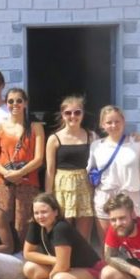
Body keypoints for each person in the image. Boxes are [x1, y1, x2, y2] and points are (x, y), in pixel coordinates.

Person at [22, 193, 106, 279]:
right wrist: (55, 260)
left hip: (94, 275)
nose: (40, 216)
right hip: (71, 270)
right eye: (36, 212)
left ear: (55, 212)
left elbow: (63, 266)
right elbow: (27, 253)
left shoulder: (60, 228)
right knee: (29, 268)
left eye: (44, 212)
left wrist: (52, 274)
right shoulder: (36, 225)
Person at [0, 87, 45, 245]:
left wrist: (20, 172)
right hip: (3, 182)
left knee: (24, 221)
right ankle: (6, 254)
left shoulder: (35, 127)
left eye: (19, 100)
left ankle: (23, 257)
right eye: (10, 101)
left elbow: (39, 158)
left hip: (28, 181)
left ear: (25, 103)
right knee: (3, 220)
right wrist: (8, 174)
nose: (15, 104)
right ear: (6, 103)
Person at [88, 106, 140, 240]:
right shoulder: (96, 146)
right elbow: (91, 171)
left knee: (133, 241)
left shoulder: (138, 142)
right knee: (107, 243)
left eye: (117, 121)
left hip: (130, 197)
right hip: (105, 196)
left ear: (123, 122)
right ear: (102, 124)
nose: (113, 125)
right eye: (109, 122)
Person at [44, 95, 96, 243]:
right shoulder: (54, 138)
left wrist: (132, 137)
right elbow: (50, 169)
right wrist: (48, 196)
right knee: (63, 233)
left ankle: (82, 264)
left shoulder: (91, 136)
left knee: (83, 236)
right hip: (62, 188)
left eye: (77, 112)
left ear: (83, 114)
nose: (73, 116)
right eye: (68, 113)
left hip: (84, 187)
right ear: (62, 115)